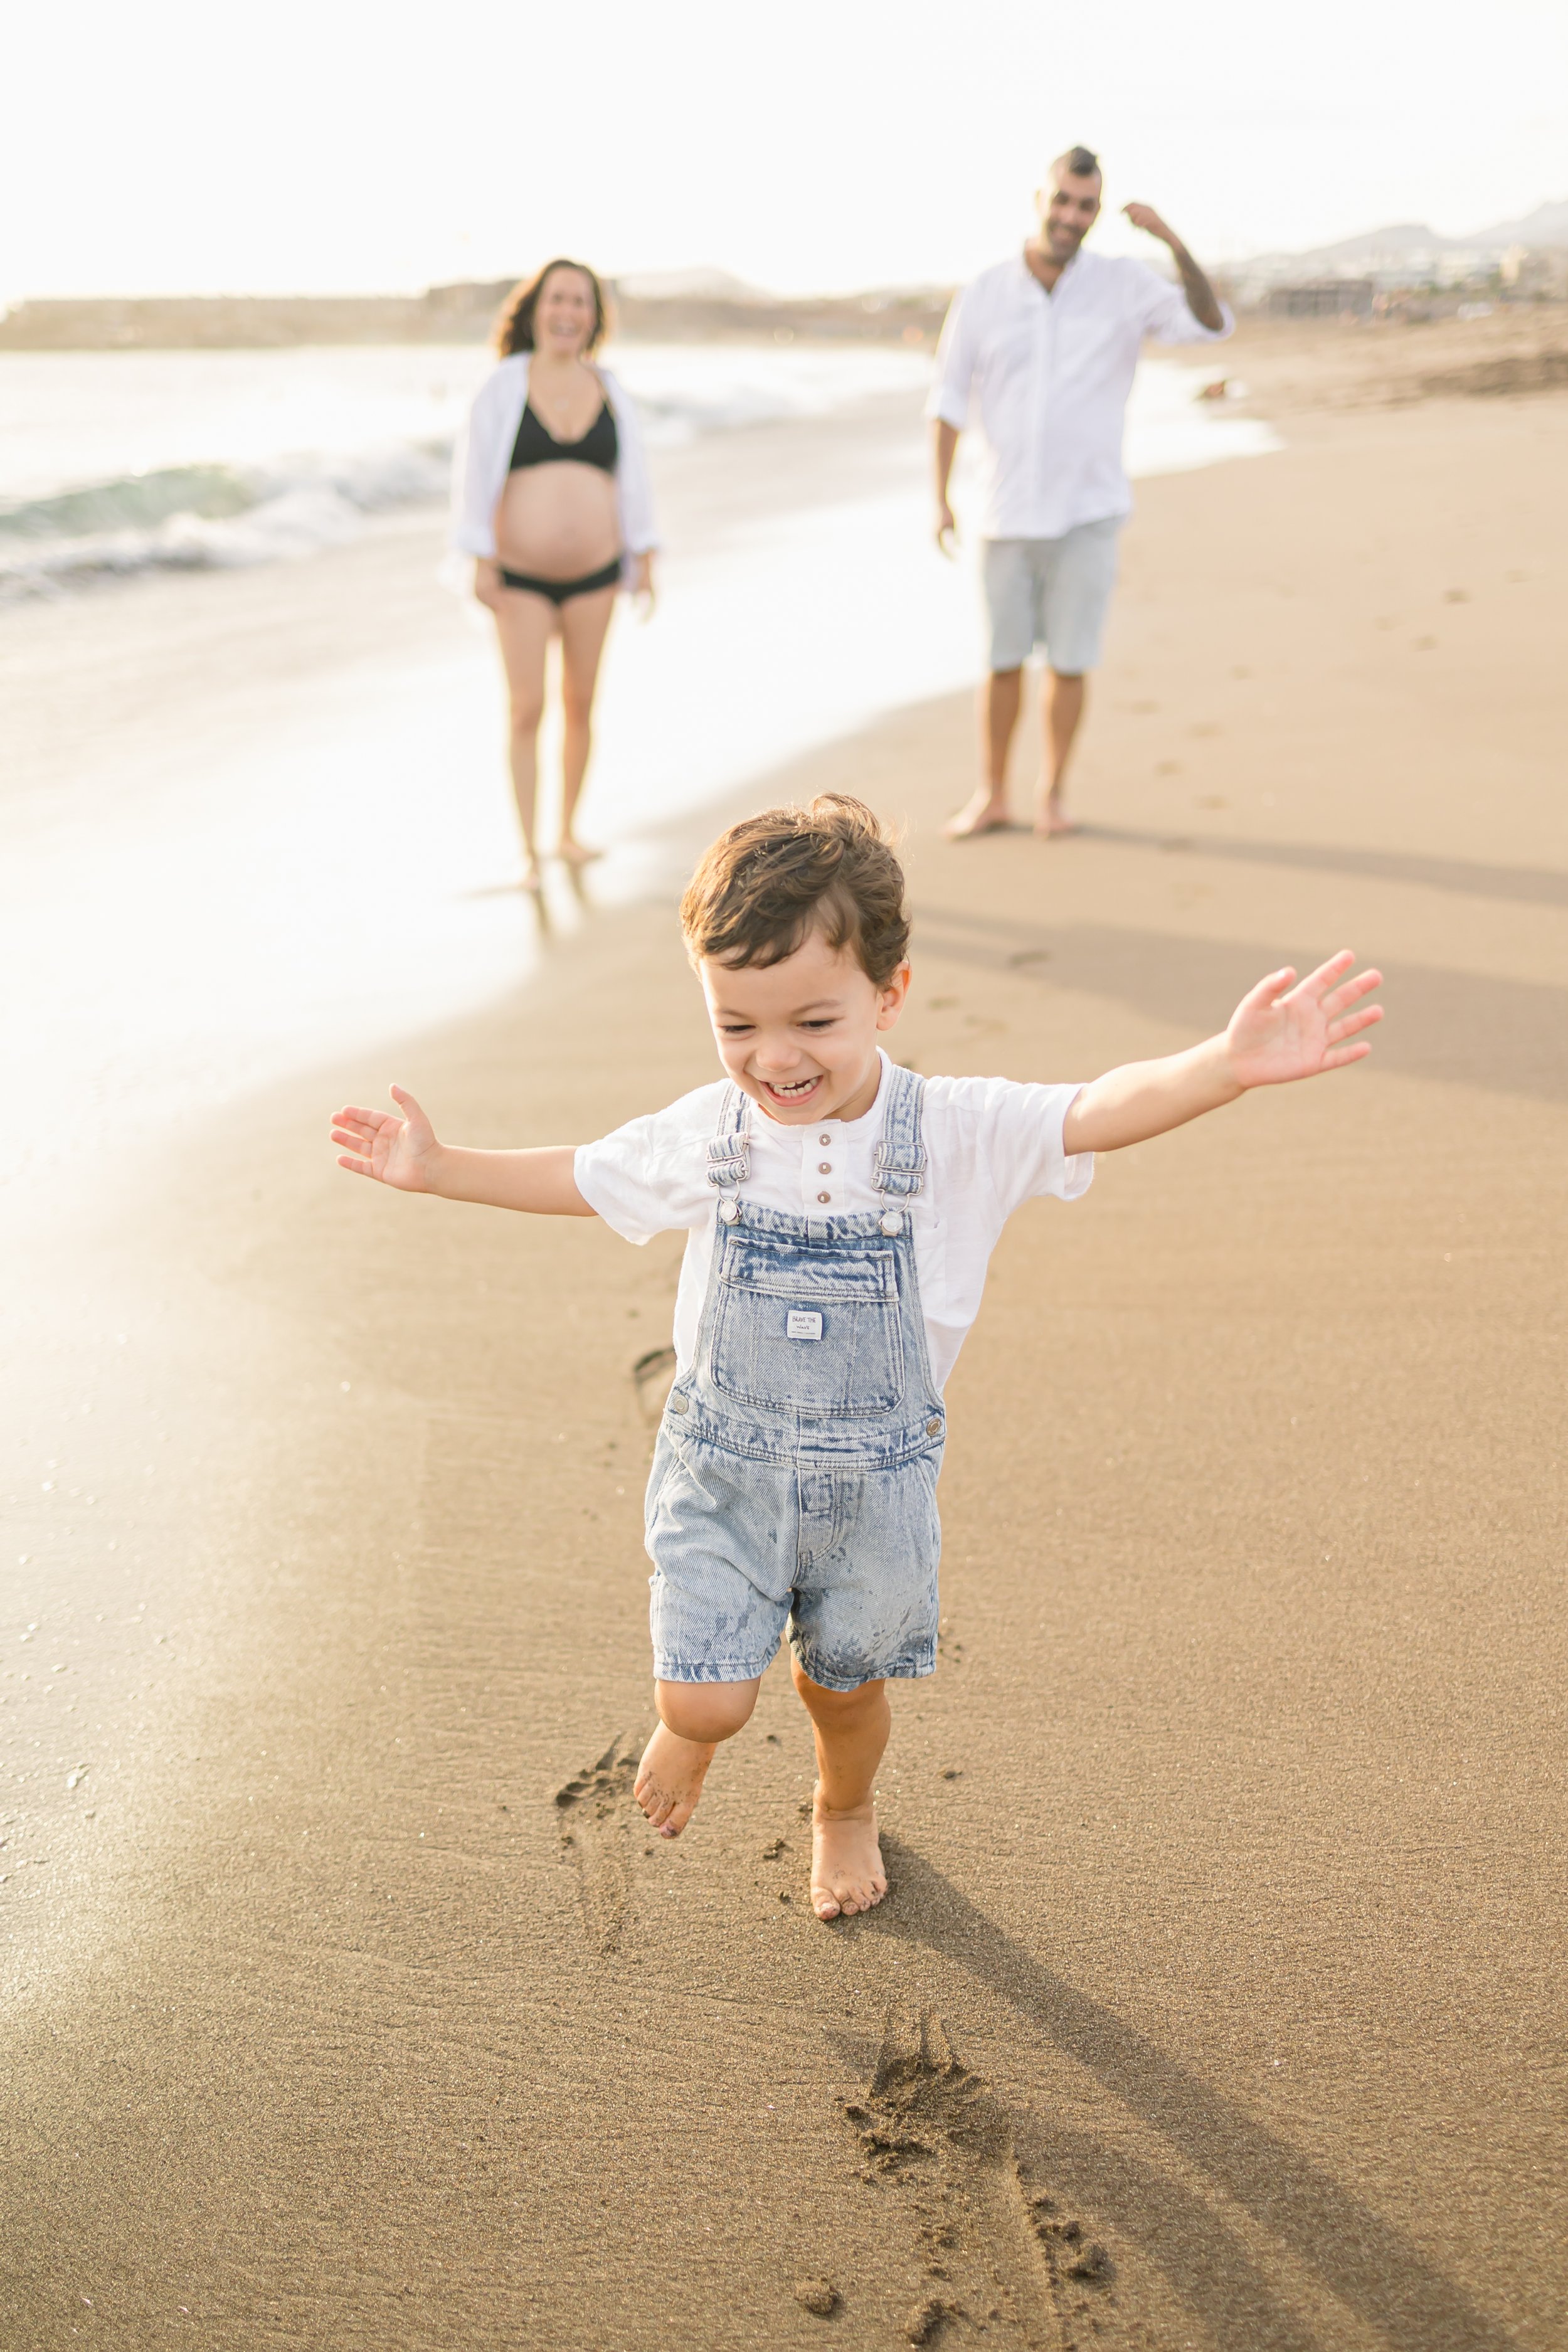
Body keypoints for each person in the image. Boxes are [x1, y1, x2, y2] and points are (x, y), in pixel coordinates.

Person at [329, 797, 1382, 1922]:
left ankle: (844, 1807)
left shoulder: (959, 1134)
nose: (774, 1059)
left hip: (875, 1489)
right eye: (736, 1027)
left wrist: (1225, 1062)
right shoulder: (710, 1135)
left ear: (890, 995)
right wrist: (441, 1169)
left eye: (815, 1023)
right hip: (722, 1464)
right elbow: (584, 1176)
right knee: (706, 1698)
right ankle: (692, 1731)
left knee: (844, 1687)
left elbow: (1094, 1111)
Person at [930, 147, 1232, 840]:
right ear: (1039, 199)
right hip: (1002, 511)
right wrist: (939, 497)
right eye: (1062, 201)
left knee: (1069, 662)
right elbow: (946, 397)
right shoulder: (984, 290)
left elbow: (1210, 325)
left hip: (1086, 513)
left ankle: (1053, 796)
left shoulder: (1124, 283)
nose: (1071, 216)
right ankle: (991, 795)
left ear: (1098, 213)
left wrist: (1172, 242)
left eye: (1086, 206)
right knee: (1001, 662)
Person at [452, 258, 659, 890]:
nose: (567, 312)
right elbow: (473, 474)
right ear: (534, 310)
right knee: (526, 709)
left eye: (580, 302)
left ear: (594, 317)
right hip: (520, 576)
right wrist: (478, 559)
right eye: (557, 299)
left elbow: (633, 479)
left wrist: (645, 555)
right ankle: (527, 852)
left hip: (596, 573)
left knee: (581, 703)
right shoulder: (502, 386)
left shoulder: (611, 389)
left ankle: (567, 832)